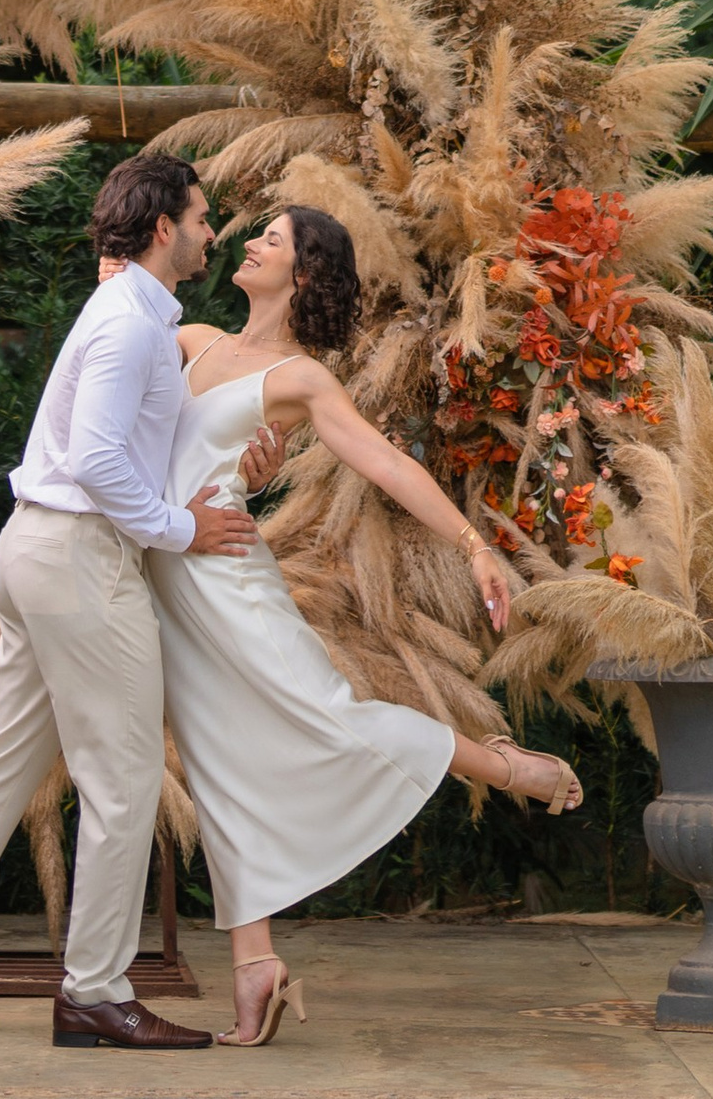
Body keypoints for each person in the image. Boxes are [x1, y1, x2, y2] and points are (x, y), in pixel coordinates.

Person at [0, 149, 266, 1051]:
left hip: (41, 550)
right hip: (80, 560)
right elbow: (97, 460)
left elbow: (132, 444)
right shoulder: (127, 324)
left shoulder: (128, 313)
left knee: (3, 765)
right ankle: (95, 992)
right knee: (121, 781)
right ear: (164, 228)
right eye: (200, 218)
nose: (209, 232)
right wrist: (181, 529)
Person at [154, 201, 584, 1048]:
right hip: (165, 575)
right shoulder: (185, 339)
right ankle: (256, 968)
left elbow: (385, 462)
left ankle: (499, 766)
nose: (248, 244)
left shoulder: (302, 380)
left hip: (229, 579)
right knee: (220, 764)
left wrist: (473, 546)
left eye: (269, 239)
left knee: (330, 720)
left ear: (302, 273)